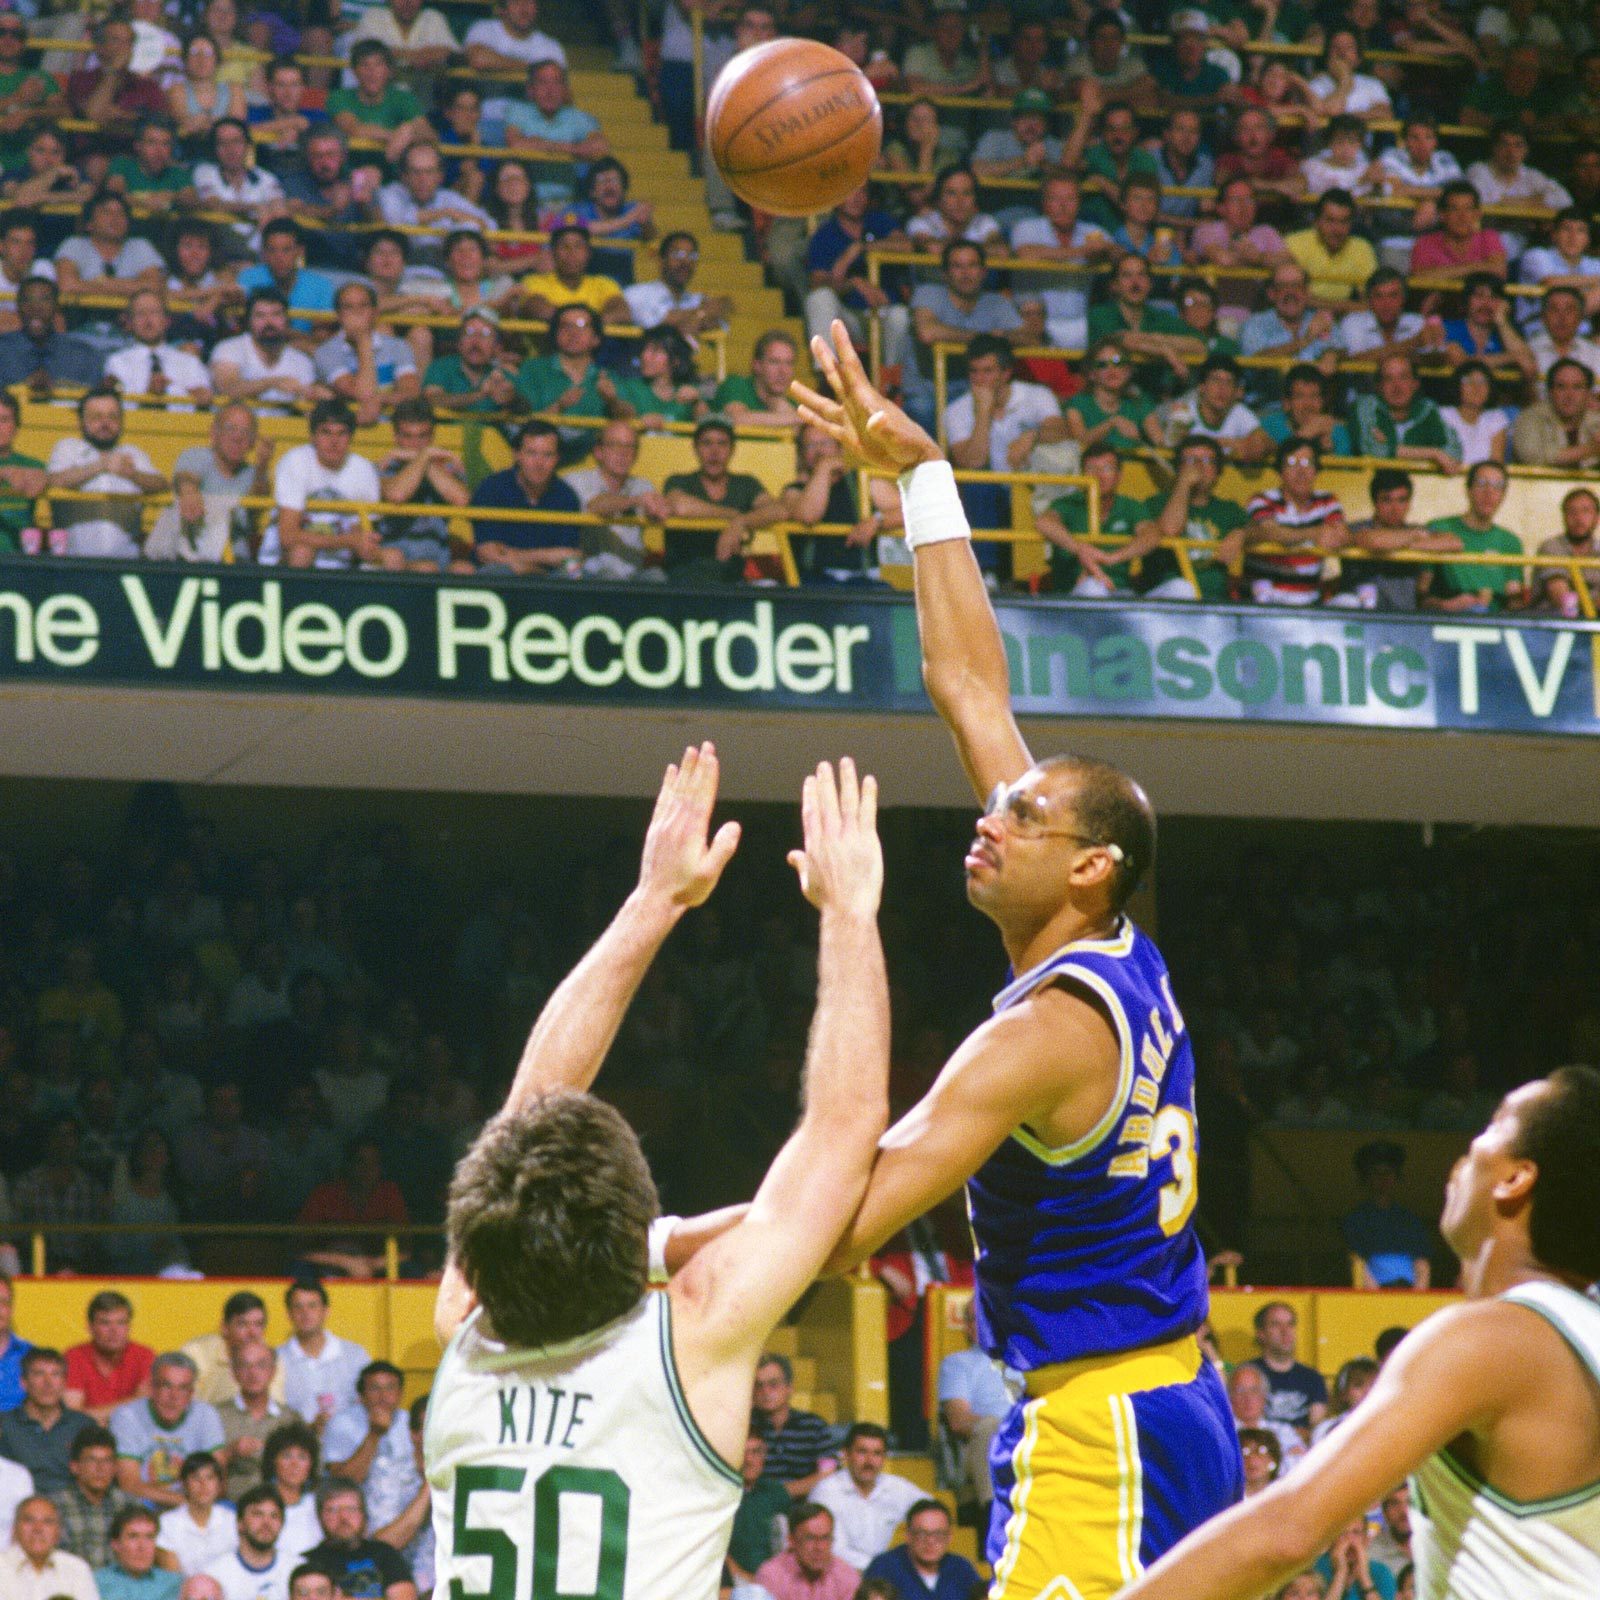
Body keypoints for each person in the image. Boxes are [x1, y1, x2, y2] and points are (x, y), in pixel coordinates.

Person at [790, 324, 1243, 1600]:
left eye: (1021, 817)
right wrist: (922, 473)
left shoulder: (1037, 1035)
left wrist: (648, 1246)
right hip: (1178, 1399)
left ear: (1088, 860)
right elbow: (967, 685)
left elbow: (842, 1221)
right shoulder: (1115, 944)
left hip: (1102, 1430)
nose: (988, 819)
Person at [426, 744, 891, 1600]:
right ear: (631, 1228)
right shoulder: (695, 1335)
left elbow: (528, 1111)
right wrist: (849, 913)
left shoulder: (460, 1328)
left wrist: (653, 899)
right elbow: (844, 1126)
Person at [1122, 1068, 1600, 1597]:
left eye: (1492, 1127)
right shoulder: (1580, 1332)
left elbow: (1285, 1531)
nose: (1464, 1155)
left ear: (1516, 1179)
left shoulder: (1490, 1341)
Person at [45, 388, 167, 559]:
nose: (105, 423)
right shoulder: (67, 448)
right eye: (96, 417)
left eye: (112, 417)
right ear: (81, 421)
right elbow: (54, 480)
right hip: (73, 564)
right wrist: (101, 465)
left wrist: (132, 474)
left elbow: (161, 484)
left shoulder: (133, 453)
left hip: (127, 563)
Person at [265, 400, 383, 571]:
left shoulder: (363, 469)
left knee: (392, 557)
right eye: (326, 433)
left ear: (351, 437)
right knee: (302, 552)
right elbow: (287, 536)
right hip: (283, 559)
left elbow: (362, 535)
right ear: (312, 436)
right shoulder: (295, 461)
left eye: (342, 433)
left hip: (343, 562)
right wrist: (347, 541)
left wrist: (357, 542)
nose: (334, 441)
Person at [661, 417, 782, 582]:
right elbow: (680, 507)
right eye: (707, 443)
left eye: (722, 444)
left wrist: (741, 522)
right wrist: (732, 515)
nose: (714, 451)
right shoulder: (679, 481)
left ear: (732, 449)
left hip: (731, 584)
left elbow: (779, 510)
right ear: (695, 448)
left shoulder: (745, 484)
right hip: (683, 585)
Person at [152, 403, 274, 565]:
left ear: (252, 442)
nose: (237, 437)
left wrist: (262, 466)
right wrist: (189, 493)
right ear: (214, 433)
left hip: (236, 562)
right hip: (189, 557)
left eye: (245, 432)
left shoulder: (255, 474)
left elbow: (256, 507)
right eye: (230, 428)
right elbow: (186, 478)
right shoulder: (196, 455)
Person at [465, 419, 584, 576]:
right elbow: (486, 553)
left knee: (577, 574)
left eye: (547, 455)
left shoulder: (566, 496)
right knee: (496, 572)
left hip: (550, 579)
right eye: (531, 453)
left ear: (557, 459)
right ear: (517, 455)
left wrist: (515, 555)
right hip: (508, 573)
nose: (539, 463)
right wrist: (542, 562)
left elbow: (571, 557)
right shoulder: (492, 488)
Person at [111, 1355, 225, 1510]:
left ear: (191, 1393)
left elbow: (219, 1479)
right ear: (151, 1388)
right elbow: (129, 1485)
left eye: (183, 1388)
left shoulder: (206, 1414)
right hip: (146, 1504)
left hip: (194, 1502)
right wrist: (186, 1503)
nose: (174, 1396)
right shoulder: (127, 1416)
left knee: (227, 1508)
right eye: (166, 1386)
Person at [562, 419, 669, 581]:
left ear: (636, 454)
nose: (623, 452)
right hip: (590, 575)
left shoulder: (643, 485)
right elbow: (596, 505)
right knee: (608, 578)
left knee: (658, 577)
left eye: (629, 446)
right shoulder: (576, 480)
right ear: (598, 451)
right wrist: (635, 501)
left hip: (634, 575)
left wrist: (660, 509)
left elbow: (658, 511)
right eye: (614, 445)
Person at [946, 335, 1065, 474]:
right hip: (989, 488)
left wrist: (1033, 436)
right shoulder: (955, 410)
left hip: (1032, 479)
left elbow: (1061, 432)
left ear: (1006, 373)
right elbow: (973, 462)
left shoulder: (1038, 394)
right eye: (974, 371)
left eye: (987, 371)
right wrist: (983, 412)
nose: (979, 379)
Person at [809, 1424, 922, 1571]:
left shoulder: (897, 1487)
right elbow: (833, 1551)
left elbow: (933, 1511)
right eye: (862, 1452)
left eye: (877, 1453)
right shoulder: (826, 1491)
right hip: (841, 1576)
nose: (869, 1461)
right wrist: (885, 1568)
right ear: (845, 1454)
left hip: (887, 1577)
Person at [1421, 460, 1526, 612]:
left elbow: (1514, 600)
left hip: (1494, 625)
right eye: (1482, 483)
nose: (1489, 492)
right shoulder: (1440, 528)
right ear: (1468, 489)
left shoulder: (1510, 541)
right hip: (1448, 621)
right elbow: (1421, 595)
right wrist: (1445, 606)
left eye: (1498, 486)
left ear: (1503, 495)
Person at [936, 1297, 1009, 1514]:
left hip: (1027, 1436)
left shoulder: (1027, 1361)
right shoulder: (957, 1364)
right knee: (990, 1427)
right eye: (980, 1319)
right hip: (981, 1445)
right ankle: (993, 1511)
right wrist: (1009, 1426)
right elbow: (959, 1420)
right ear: (968, 1326)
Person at [1342, 1141, 1435, 1288]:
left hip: (1409, 1293)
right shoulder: (1357, 1220)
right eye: (1376, 1173)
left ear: (1396, 1177)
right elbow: (1356, 1261)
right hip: (1375, 1295)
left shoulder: (1410, 1220)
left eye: (1388, 1173)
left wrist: (1417, 1298)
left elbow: (1422, 1263)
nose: (1382, 1178)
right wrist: (1379, 1299)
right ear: (1366, 1178)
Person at [301, 1480, 414, 1600]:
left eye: (351, 1509)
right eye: (333, 1510)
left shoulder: (385, 1553)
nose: (343, 1517)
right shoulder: (308, 1562)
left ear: (364, 1515)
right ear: (320, 1517)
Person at [209, 292, 320, 414]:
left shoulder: (301, 361)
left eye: (276, 314)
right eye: (260, 315)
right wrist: (273, 382)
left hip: (283, 430)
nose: (269, 322)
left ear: (287, 320)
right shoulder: (229, 348)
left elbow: (309, 406)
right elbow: (227, 388)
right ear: (249, 321)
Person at [1, 1347, 89, 1493]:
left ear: (64, 1383)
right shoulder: (4, 1425)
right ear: (24, 1382)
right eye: (38, 1374)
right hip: (18, 1507)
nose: (48, 1383)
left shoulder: (84, 1426)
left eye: (55, 1374)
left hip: (72, 1508)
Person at [104, 291, 212, 409]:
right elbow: (118, 407)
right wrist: (149, 395)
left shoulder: (189, 362)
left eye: (154, 312)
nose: (148, 319)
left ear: (167, 320)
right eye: (140, 313)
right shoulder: (117, 362)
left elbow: (204, 399)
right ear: (129, 322)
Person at [50, 1426, 133, 1570]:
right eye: (91, 1460)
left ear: (114, 1468)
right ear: (75, 1466)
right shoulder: (54, 1506)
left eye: (107, 1461)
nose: (100, 1468)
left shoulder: (129, 1506)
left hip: (119, 1589)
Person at [862, 1500, 981, 1600]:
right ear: (908, 1535)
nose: (930, 1541)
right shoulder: (883, 1568)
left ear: (949, 1537)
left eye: (938, 1534)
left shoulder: (961, 1568)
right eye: (922, 1534)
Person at [0, 276, 103, 392]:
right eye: (27, 300)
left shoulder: (84, 356)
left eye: (45, 300)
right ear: (17, 307)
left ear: (57, 306)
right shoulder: (2, 351)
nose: (36, 307)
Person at [65, 1295, 153, 1428]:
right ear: (90, 1327)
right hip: (86, 1438)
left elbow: (145, 1409)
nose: (114, 1331)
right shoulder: (74, 1356)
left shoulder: (145, 1356)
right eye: (105, 1323)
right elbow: (73, 1416)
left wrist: (98, 1417)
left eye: (121, 1323)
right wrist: (132, 1403)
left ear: (129, 1326)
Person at [624, 232, 730, 340]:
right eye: (677, 254)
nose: (685, 261)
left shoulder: (695, 300)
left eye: (692, 256)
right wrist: (701, 313)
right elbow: (659, 326)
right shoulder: (637, 294)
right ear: (661, 260)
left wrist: (705, 313)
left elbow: (718, 326)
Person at [1247, 1304, 1329, 1436]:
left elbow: (1317, 1430)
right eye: (1276, 1324)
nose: (1285, 1331)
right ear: (1261, 1333)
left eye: (1290, 1324)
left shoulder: (1312, 1378)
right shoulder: (1248, 1375)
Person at [201, 1484, 294, 1600]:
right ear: (240, 1523)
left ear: (281, 1524)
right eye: (257, 1514)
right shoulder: (213, 1575)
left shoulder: (296, 1570)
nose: (266, 1523)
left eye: (274, 1516)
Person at [216, 1347, 284, 1501]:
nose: (253, 1373)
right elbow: (198, 1470)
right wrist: (229, 1453)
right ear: (233, 1372)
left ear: (273, 1371)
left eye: (261, 1365)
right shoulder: (215, 1416)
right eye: (245, 1365)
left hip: (277, 1508)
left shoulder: (290, 1418)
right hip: (228, 1505)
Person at [753, 1503, 859, 1600]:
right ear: (791, 1541)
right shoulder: (771, 1576)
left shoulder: (846, 1576)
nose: (819, 1547)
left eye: (825, 1538)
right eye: (810, 1538)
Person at [1, 1495, 98, 1600]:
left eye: (47, 1522)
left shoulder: (77, 1569)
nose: (38, 1529)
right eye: (29, 1520)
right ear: (14, 1529)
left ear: (58, 1531)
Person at [157, 1454, 237, 1576]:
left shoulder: (232, 1520)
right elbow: (171, 1579)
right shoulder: (167, 1523)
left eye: (210, 1478)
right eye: (195, 1478)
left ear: (219, 1484)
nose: (203, 1484)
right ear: (184, 1484)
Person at [713, 331, 802, 431]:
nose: (783, 371)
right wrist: (794, 418)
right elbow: (735, 419)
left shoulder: (791, 404)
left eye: (789, 363)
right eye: (774, 362)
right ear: (757, 365)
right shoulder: (736, 385)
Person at [260, 1425, 320, 1562]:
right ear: (273, 1461)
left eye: (302, 1457)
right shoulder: (259, 1505)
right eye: (286, 1456)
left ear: (311, 1465)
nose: (294, 1464)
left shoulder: (318, 1504)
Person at [1537, 486, 1600, 615]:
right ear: (1564, 517)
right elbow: (1562, 600)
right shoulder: (1551, 547)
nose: (1579, 518)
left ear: (1597, 517)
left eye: (1586, 511)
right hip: (1552, 625)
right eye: (1572, 511)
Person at [96, 1505, 181, 1600]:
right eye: (133, 1537)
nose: (142, 1546)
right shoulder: (96, 1583)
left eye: (149, 1537)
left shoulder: (174, 1584)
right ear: (116, 1544)